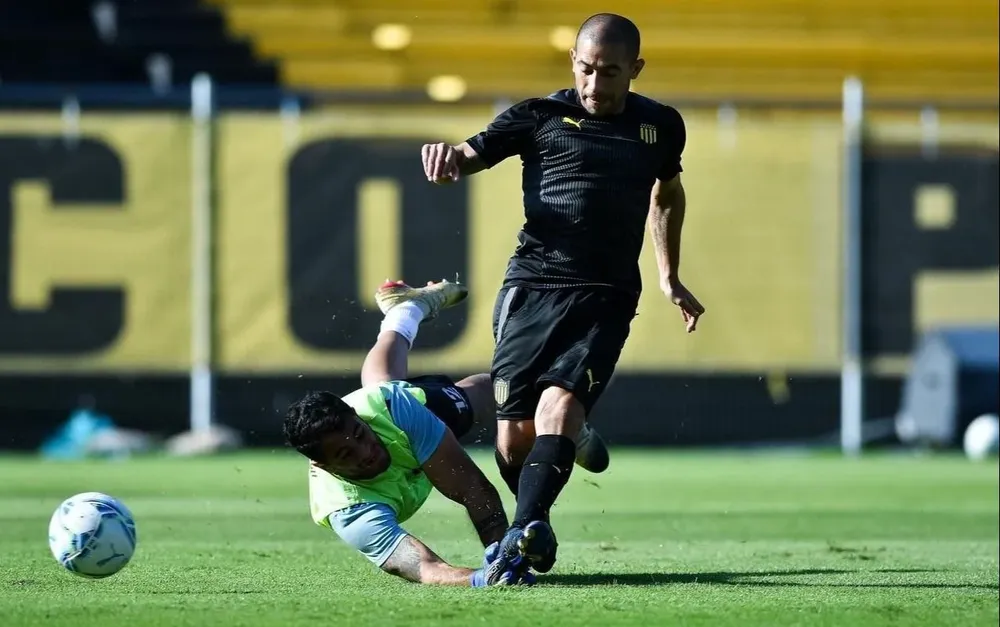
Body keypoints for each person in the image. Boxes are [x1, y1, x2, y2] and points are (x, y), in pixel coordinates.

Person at [419, 13, 706, 573]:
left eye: (610, 72)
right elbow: (471, 153)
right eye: (586, 69)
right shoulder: (539, 115)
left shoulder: (660, 125)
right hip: (533, 288)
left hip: (607, 293)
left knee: (561, 404)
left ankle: (526, 531)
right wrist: (448, 159)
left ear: (636, 69)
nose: (595, 84)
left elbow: (667, 193)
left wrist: (668, 275)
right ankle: (550, 489)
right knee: (513, 441)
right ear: (573, 62)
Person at [283, 279, 539, 587]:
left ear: (359, 417)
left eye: (361, 434)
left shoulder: (393, 408)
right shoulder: (346, 509)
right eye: (345, 454)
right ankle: (405, 310)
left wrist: (502, 555)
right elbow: (423, 567)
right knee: (381, 383)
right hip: (385, 406)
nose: (366, 452)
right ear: (323, 466)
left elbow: (473, 490)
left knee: (495, 398)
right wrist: (483, 578)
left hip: (399, 409)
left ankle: (557, 415)